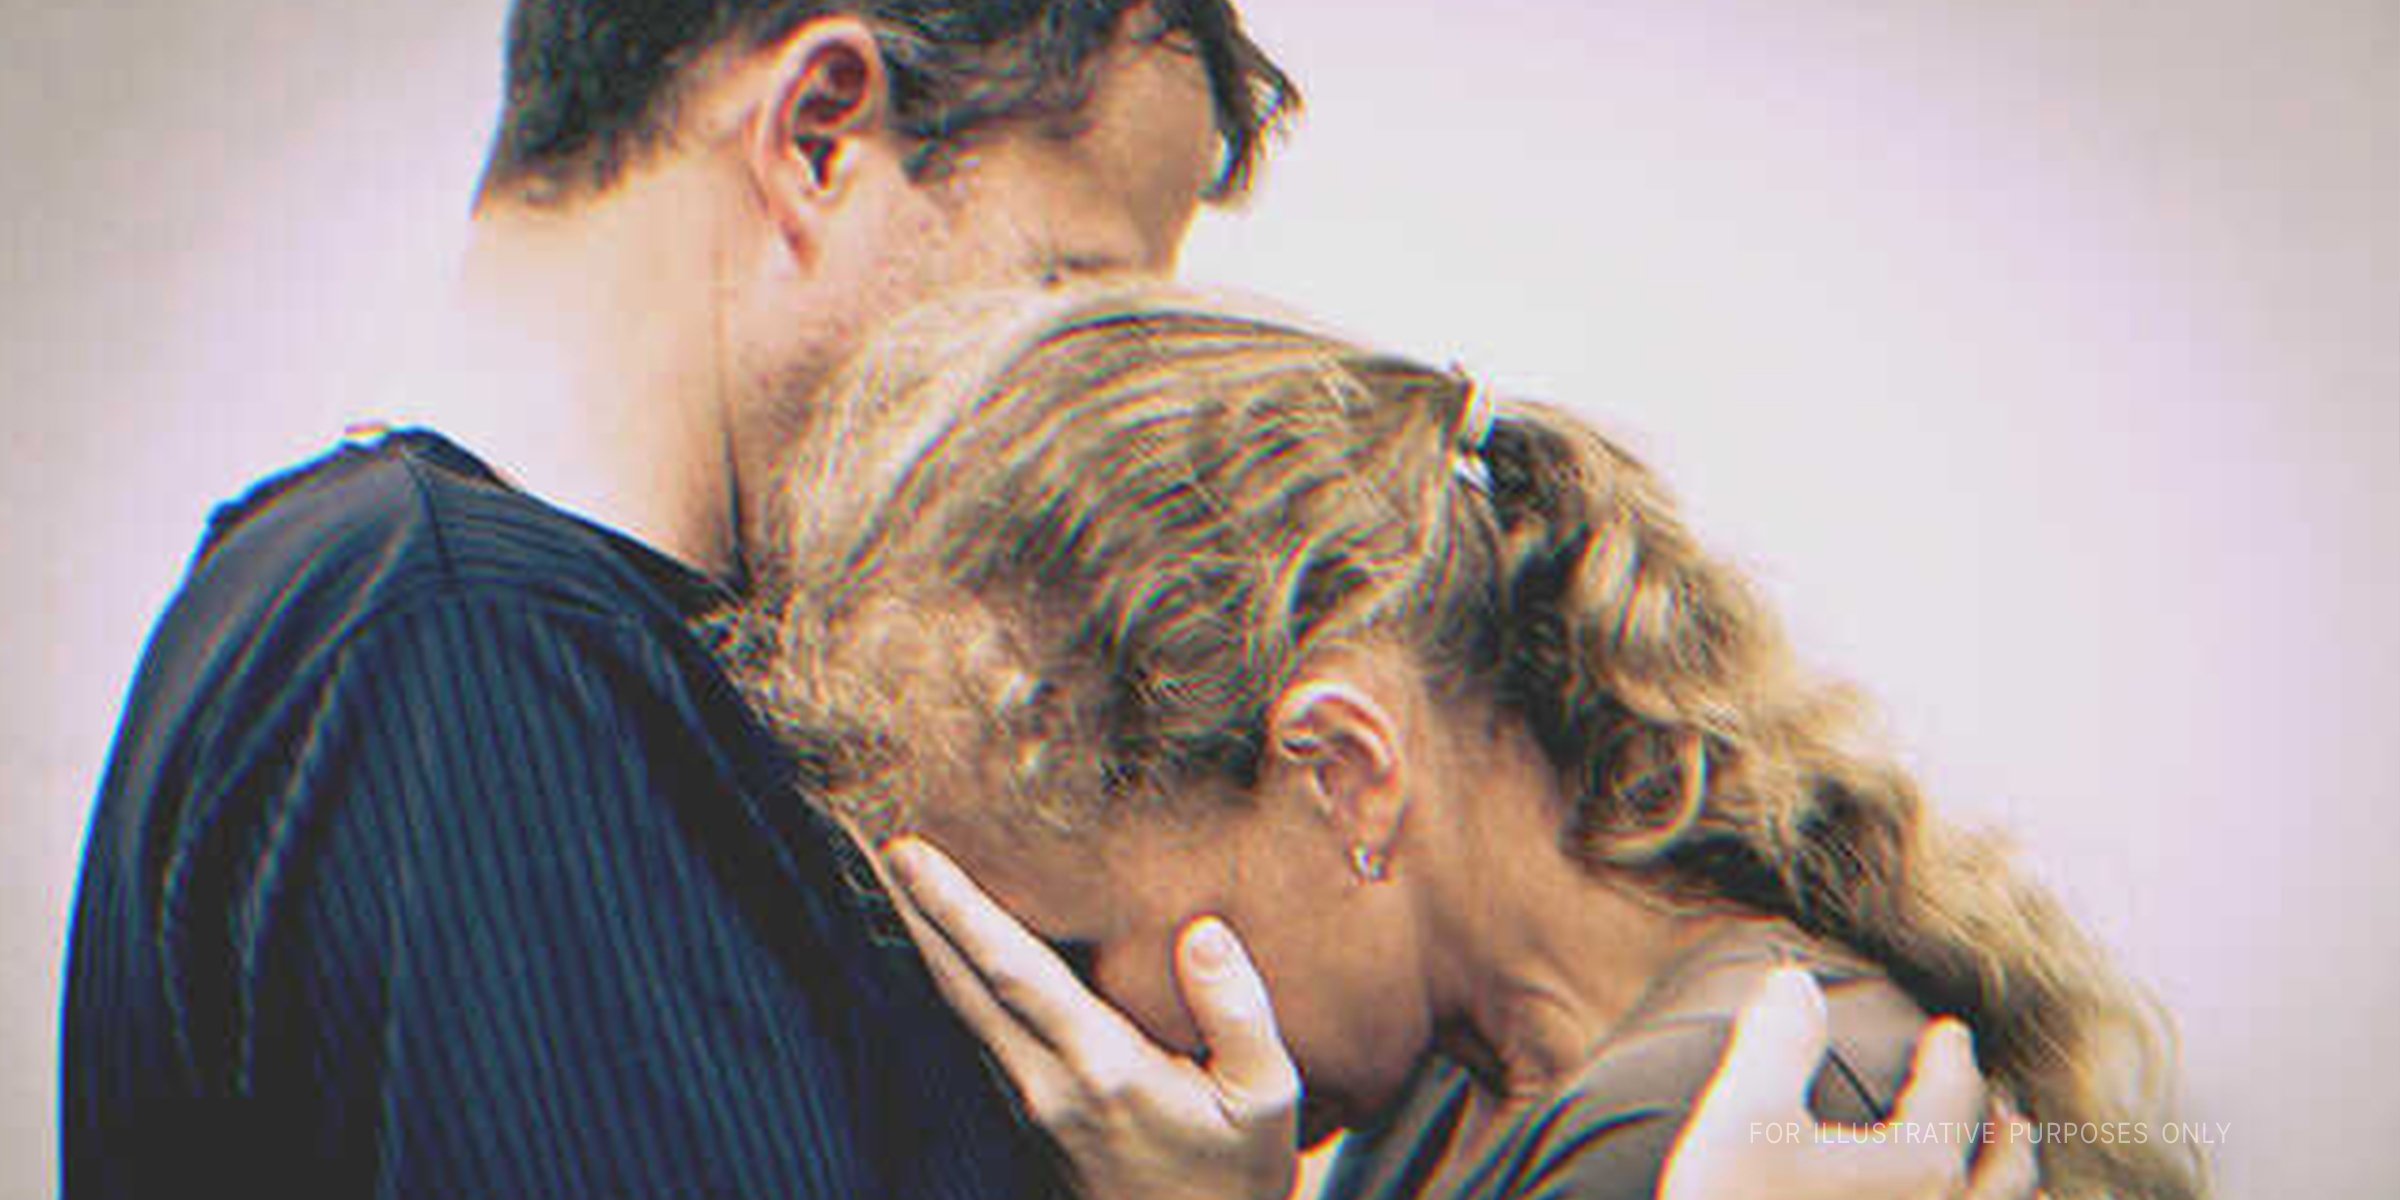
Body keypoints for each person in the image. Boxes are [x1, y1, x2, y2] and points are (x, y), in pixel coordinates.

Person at [61, 3, 1293, 1197]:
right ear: (820, 134)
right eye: (1058, 293)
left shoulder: (498, 638)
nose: (1060, 420)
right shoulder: (472, 649)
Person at [728, 284, 2206, 1200]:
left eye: (1076, 949)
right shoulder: (1458, 1098)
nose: (1077, 1044)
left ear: (1343, 773)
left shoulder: (1701, 1133)